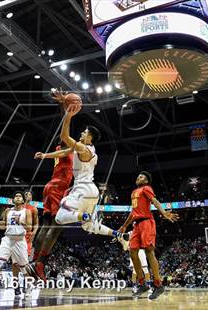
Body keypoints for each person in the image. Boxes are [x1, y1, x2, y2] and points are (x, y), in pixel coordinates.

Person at [51, 91, 119, 237]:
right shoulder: (87, 149)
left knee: (60, 217)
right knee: (88, 227)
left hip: (83, 189)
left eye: (85, 132)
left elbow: (64, 136)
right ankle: (119, 235)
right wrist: (45, 155)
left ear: (90, 138)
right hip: (91, 192)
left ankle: (85, 216)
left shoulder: (83, 148)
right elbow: (63, 152)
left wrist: (68, 115)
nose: (82, 133)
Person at [118, 171, 179, 300]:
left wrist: (163, 213)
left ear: (146, 181)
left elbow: (155, 201)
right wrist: (124, 226)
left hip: (146, 222)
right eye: (138, 176)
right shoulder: (134, 192)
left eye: (142, 176)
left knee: (149, 252)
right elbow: (133, 212)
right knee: (132, 252)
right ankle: (142, 283)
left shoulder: (147, 188)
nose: (138, 177)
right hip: (136, 224)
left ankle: (158, 284)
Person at [31, 138, 74, 280]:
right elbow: (66, 147)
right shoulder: (66, 150)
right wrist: (44, 155)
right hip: (58, 187)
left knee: (45, 226)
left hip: (50, 186)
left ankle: (34, 260)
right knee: (56, 227)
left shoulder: (61, 150)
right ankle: (40, 264)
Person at [0, 191, 32, 299]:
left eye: (20, 196)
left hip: (20, 240)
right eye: (16, 196)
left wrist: (20, 221)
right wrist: (1, 224)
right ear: (13, 200)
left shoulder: (26, 211)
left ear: (23, 200)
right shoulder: (8, 210)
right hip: (8, 239)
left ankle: (29, 287)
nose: (18, 197)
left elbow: (29, 228)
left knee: (24, 269)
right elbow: (4, 225)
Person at [12, 190, 38, 295]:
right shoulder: (17, 209)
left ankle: (26, 285)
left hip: (27, 238)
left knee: (24, 263)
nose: (28, 195)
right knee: (14, 263)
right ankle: (16, 286)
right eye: (26, 194)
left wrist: (34, 233)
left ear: (32, 197)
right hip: (16, 236)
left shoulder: (34, 209)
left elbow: (36, 224)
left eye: (30, 194)